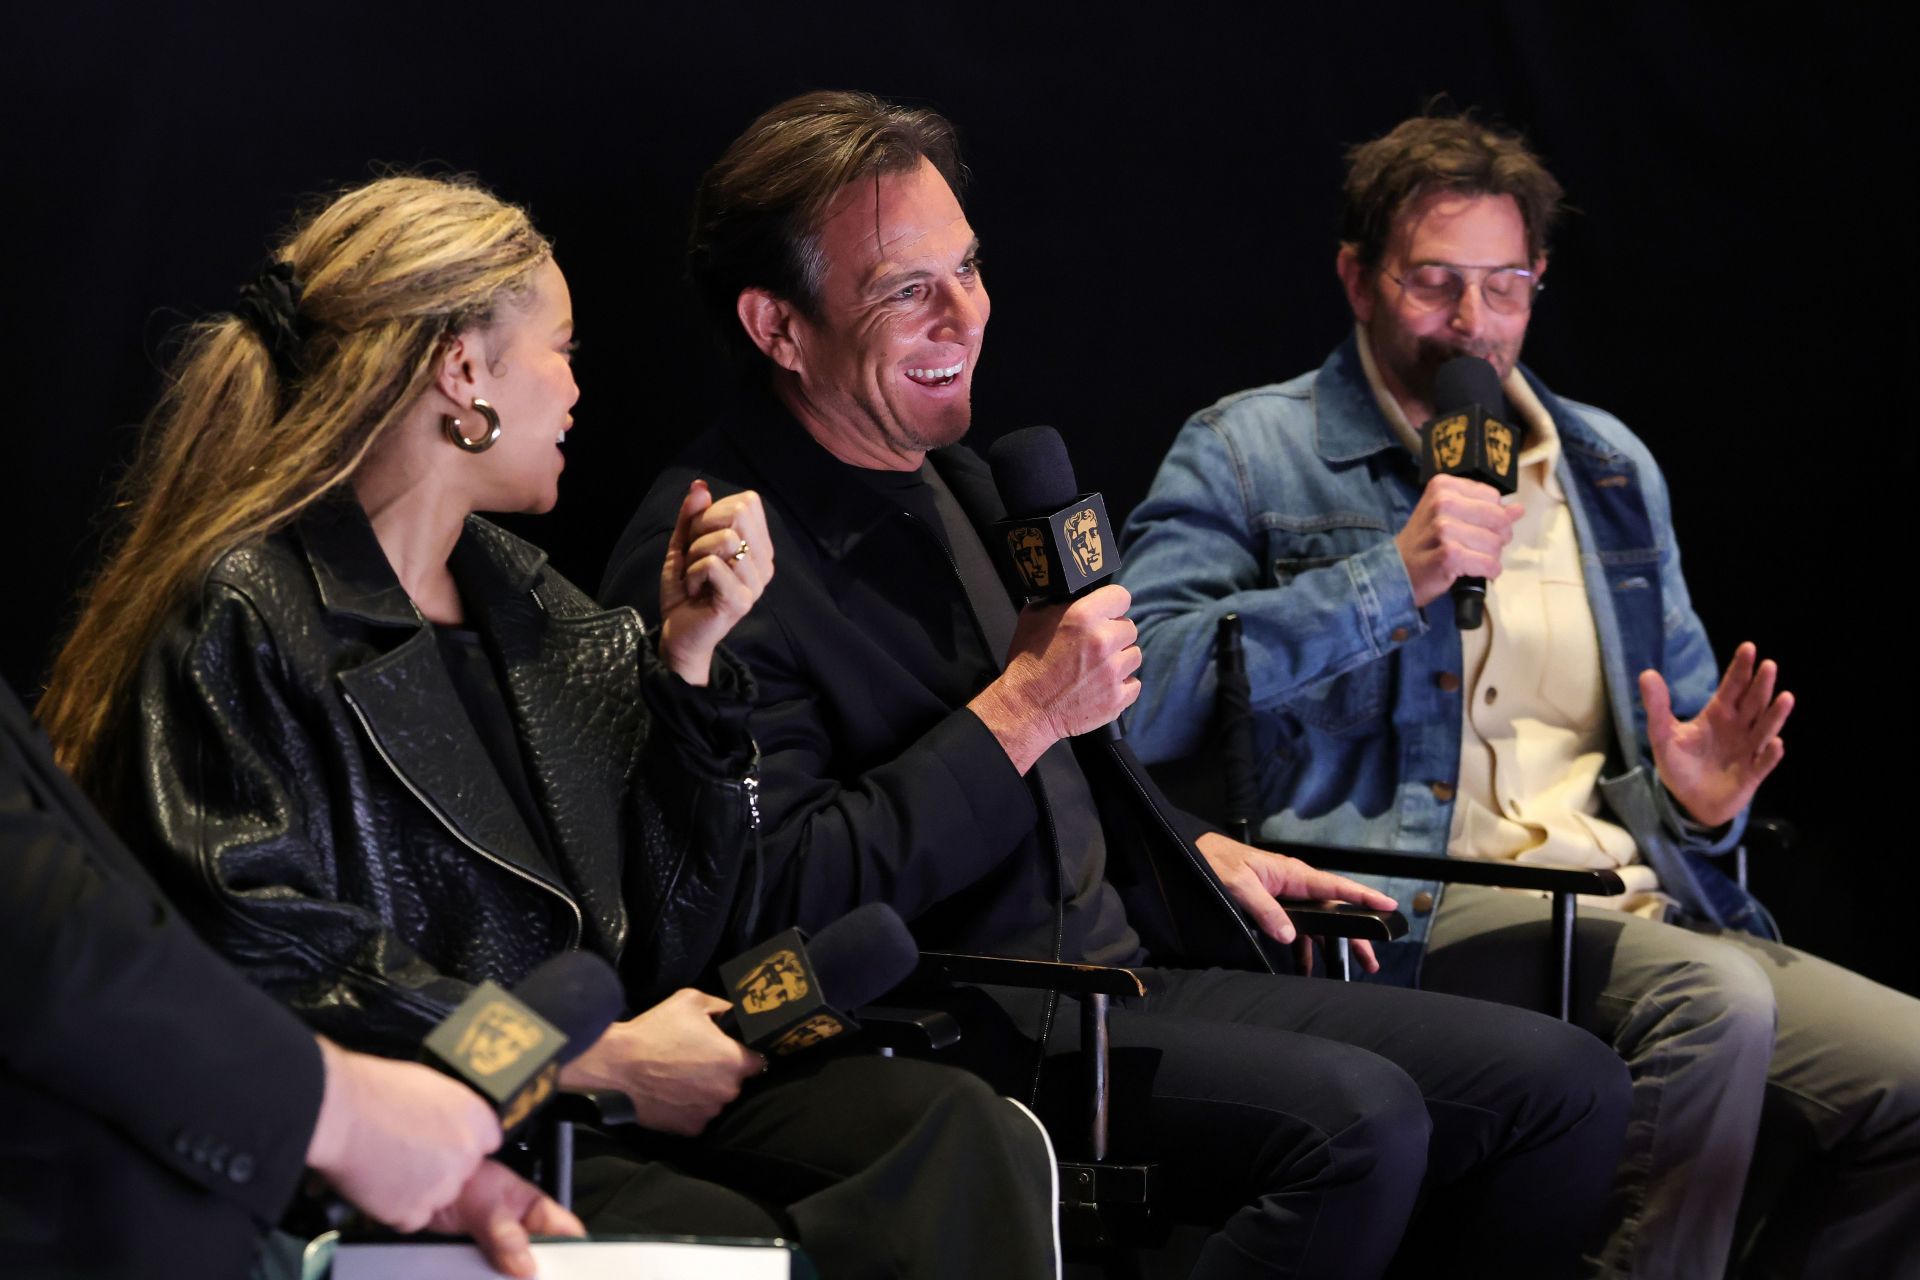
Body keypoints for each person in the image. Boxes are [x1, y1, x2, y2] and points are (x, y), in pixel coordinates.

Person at [603, 90, 1632, 1280]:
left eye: (969, 267)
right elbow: (770, 899)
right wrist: (1024, 708)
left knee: (1567, 1084)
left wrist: (1192, 846)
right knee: (1360, 1124)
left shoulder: (961, 483)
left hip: (1129, 968)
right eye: (905, 288)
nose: (965, 312)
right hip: (973, 1022)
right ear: (776, 326)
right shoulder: (711, 556)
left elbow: (1076, 760)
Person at [37, 175, 1059, 1278]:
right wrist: (571, 1057)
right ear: (463, 372)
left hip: (597, 1094)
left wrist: (689, 666)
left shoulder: (531, 601)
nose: (578, 389)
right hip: (432, 1130)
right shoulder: (247, 611)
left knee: (955, 1136)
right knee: (729, 1246)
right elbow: (265, 954)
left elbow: (676, 929)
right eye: (562, 349)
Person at [1117, 110, 1920, 1278]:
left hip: (1630, 899)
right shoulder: (1251, 449)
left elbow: (1678, 743)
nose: (1473, 323)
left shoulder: (1604, 465)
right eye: (1436, 282)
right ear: (1358, 277)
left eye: (1505, 285)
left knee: (1906, 1074)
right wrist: (1390, 577)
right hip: (1410, 902)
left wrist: (1699, 800)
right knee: (1714, 1001)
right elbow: (1137, 698)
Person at [1, 672, 584, 1280]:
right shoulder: (239, 613)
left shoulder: (526, 606)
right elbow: (43, 937)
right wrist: (346, 1115)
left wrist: (380, 1159)